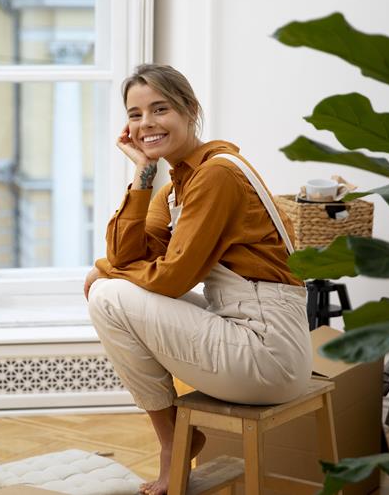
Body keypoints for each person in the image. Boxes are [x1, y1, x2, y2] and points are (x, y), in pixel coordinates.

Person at [84, 64, 312, 495]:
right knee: (110, 288)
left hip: (268, 351)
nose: (146, 123)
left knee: (107, 295)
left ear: (190, 110)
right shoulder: (174, 185)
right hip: (245, 330)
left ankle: (173, 445)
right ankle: (176, 440)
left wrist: (104, 271)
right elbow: (127, 254)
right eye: (135, 114)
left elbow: (170, 279)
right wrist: (142, 174)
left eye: (160, 108)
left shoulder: (216, 175)